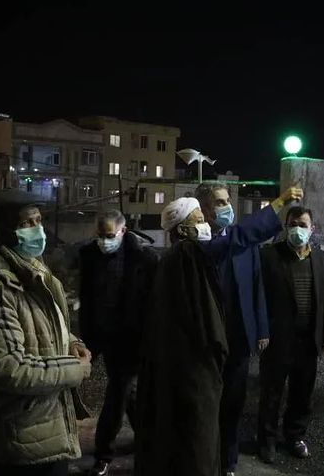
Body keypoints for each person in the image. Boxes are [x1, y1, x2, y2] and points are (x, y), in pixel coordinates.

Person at [0, 189, 92, 476]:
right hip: (19, 441)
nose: (37, 229)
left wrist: (71, 342)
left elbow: (46, 325)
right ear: (4, 231)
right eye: (26, 223)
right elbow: (11, 370)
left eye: (39, 220)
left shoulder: (34, 272)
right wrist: (74, 369)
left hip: (44, 429)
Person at [195, 183, 303, 476]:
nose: (227, 207)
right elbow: (239, 236)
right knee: (206, 404)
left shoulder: (244, 241)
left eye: (228, 200)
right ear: (205, 209)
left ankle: (228, 462)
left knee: (233, 403)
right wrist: (280, 201)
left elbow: (257, 286)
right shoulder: (200, 242)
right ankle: (204, 459)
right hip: (208, 340)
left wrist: (262, 328)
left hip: (239, 338)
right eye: (220, 202)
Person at [135, 197, 228, 476]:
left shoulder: (173, 259)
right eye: (198, 221)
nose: (205, 225)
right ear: (182, 230)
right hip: (193, 373)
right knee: (197, 444)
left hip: (179, 371)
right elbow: (205, 321)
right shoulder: (186, 255)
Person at [78, 210, 158, 476]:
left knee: (117, 392)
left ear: (123, 231)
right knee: (128, 392)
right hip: (103, 334)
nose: (104, 241)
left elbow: (151, 301)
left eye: (110, 235)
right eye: (100, 235)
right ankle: (147, 439)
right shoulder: (89, 255)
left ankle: (104, 453)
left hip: (131, 337)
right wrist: (87, 337)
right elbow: (87, 296)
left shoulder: (144, 257)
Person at [257, 206, 324, 463]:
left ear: (312, 229)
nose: (297, 229)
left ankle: (295, 436)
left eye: (302, 225)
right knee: (271, 393)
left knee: (302, 394)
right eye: (293, 224)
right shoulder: (269, 256)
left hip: (308, 340)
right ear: (286, 227)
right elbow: (260, 298)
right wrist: (261, 331)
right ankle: (267, 440)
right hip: (277, 339)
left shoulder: (320, 259)